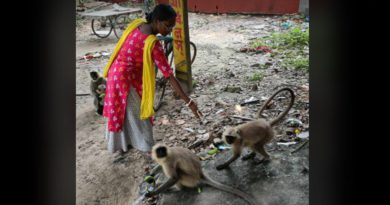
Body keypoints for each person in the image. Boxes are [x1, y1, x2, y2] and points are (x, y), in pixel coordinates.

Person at [102, 4, 202, 156]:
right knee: (140, 116)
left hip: (115, 74)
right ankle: (148, 148)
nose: (169, 30)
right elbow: (169, 76)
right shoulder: (153, 44)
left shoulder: (138, 25)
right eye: (167, 26)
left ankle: (122, 145)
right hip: (124, 81)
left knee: (122, 112)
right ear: (156, 21)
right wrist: (189, 102)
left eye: (172, 27)